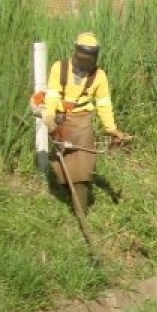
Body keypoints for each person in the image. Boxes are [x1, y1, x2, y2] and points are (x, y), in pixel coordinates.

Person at [41, 32, 130, 204]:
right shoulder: (59, 68)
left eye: (91, 57)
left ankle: (81, 203)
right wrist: (50, 116)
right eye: (83, 56)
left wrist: (111, 129)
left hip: (83, 122)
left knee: (83, 164)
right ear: (76, 52)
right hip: (61, 120)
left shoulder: (99, 76)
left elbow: (103, 104)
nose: (86, 61)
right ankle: (66, 188)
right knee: (62, 162)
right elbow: (51, 94)